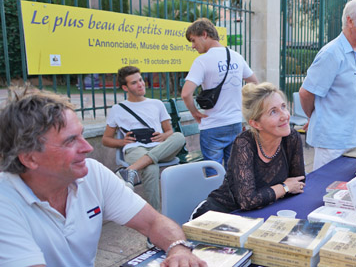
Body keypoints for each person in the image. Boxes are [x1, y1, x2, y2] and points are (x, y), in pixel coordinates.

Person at [0, 87, 206, 267]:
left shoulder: (92, 173)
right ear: (30, 158)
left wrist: (178, 248)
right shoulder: (5, 202)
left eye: (82, 134)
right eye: (71, 141)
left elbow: (153, 222)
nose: (87, 147)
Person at [190, 83, 305, 219]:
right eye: (273, 111)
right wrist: (284, 187)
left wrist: (283, 189)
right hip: (221, 214)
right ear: (256, 124)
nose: (285, 116)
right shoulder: (244, 143)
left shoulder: (291, 137)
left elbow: (298, 183)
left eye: (283, 107)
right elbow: (248, 201)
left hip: (259, 215)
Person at [299, 0, 356, 170]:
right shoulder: (332, 53)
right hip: (332, 143)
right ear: (350, 20)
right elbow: (306, 93)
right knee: (326, 193)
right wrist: (315, 116)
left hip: (353, 139)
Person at [181, 18, 259, 174]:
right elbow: (255, 83)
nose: (192, 46)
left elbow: (185, 93)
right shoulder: (236, 56)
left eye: (193, 40)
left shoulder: (202, 61)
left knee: (214, 174)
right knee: (234, 171)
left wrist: (195, 113)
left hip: (212, 126)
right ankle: (234, 198)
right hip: (235, 123)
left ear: (204, 34)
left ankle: (218, 198)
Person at [103, 66, 185, 211]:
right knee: (150, 166)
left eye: (140, 80)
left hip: (160, 148)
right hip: (135, 148)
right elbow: (106, 139)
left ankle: (130, 169)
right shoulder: (118, 109)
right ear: (125, 87)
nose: (140, 84)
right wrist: (122, 142)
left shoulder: (157, 104)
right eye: (134, 83)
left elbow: (169, 131)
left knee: (179, 137)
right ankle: (155, 215)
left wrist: (163, 136)